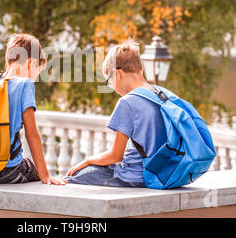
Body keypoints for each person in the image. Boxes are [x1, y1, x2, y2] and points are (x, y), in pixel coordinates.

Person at [64, 40, 168, 187]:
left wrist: (87, 160)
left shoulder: (128, 102)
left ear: (117, 74)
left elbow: (115, 156)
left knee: (69, 179)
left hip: (134, 176)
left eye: (109, 81)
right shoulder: (160, 94)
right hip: (159, 173)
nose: (111, 86)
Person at [0, 33, 67, 185]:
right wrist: (45, 175)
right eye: (38, 71)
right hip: (6, 172)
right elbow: (32, 134)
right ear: (30, 63)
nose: (35, 77)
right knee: (30, 167)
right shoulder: (24, 84)